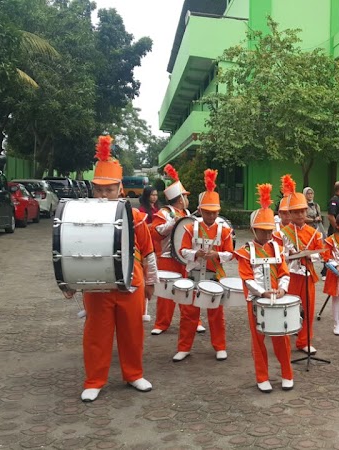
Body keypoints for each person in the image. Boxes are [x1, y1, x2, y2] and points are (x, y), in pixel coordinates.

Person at [61, 135, 157, 402]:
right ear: (92, 189)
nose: (103, 195)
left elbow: (148, 252)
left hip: (131, 282)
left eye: (109, 189)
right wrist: (68, 282)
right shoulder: (82, 215)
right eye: (99, 189)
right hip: (96, 283)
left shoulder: (136, 217)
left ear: (120, 189)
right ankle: (94, 380)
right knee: (97, 333)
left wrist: (150, 282)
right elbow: (68, 249)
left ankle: (134, 374)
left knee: (132, 332)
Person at [235, 183, 293, 393]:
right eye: (262, 231)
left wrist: (282, 290)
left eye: (270, 231)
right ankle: (262, 377)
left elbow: (285, 273)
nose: (267, 236)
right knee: (258, 340)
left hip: (277, 300)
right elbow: (246, 278)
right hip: (256, 301)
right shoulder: (244, 251)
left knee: (282, 339)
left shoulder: (277, 248)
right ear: (253, 229)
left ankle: (287, 374)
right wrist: (262, 292)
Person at [174, 169, 234, 362]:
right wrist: (196, 254)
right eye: (207, 212)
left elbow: (230, 254)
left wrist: (217, 254)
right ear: (200, 210)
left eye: (214, 212)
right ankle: (184, 347)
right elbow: (182, 250)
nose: (211, 216)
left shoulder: (224, 231)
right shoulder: (191, 228)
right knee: (189, 314)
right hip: (193, 275)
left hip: (214, 275)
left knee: (216, 314)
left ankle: (220, 346)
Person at [279, 175, 324, 355]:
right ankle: (285, 338)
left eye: (303, 211)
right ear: (289, 214)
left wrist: (309, 257)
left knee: (309, 308)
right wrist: (290, 255)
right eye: (296, 212)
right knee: (289, 307)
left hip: (307, 275)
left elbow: (320, 255)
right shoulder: (283, 233)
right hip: (289, 275)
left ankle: (304, 340)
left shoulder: (315, 233)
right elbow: (279, 255)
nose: (300, 215)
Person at [150, 164, 190, 335]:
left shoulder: (187, 212)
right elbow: (156, 232)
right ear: (180, 199)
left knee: (187, 290)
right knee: (166, 292)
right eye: (185, 196)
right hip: (167, 257)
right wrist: (172, 223)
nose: (187, 199)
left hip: (185, 257)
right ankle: (161, 323)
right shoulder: (164, 213)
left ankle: (193, 321)